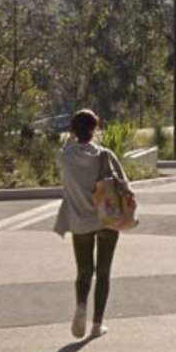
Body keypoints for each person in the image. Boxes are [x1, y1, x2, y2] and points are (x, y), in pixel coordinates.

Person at [53, 107, 128, 339]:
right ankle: (97, 324)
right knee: (103, 272)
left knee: (84, 271)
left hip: (80, 222)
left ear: (73, 130)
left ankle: (81, 306)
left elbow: (66, 148)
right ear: (95, 130)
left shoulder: (64, 157)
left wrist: (71, 139)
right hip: (107, 219)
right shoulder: (104, 154)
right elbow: (124, 184)